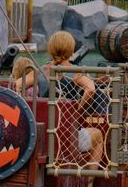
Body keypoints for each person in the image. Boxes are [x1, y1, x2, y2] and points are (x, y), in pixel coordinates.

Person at [44, 30, 108, 168]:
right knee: (97, 135)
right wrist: (77, 108)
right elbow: (91, 89)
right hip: (67, 136)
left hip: (43, 134)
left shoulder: (41, 70)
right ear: (71, 49)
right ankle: (90, 185)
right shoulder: (74, 72)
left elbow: (18, 85)